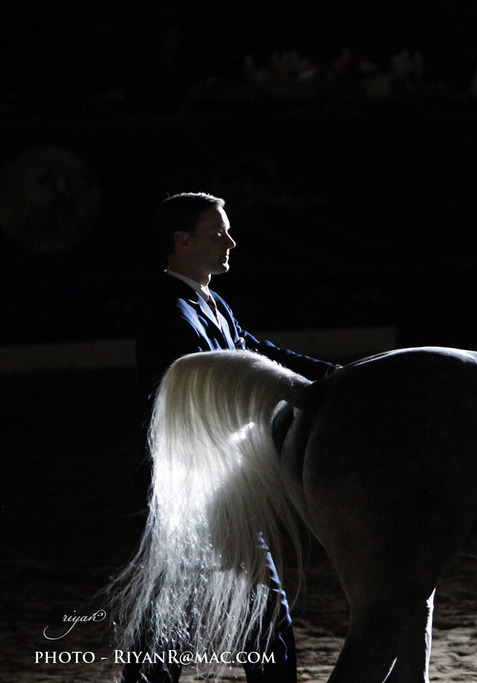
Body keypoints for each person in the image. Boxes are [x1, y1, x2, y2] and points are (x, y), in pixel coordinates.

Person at [126, 192, 337, 683]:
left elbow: (255, 350)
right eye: (218, 232)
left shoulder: (207, 302)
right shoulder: (170, 316)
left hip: (218, 488)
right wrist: (305, 390)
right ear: (183, 241)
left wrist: (330, 375)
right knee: (196, 620)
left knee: (240, 615)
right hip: (193, 491)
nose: (231, 242)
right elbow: (232, 376)